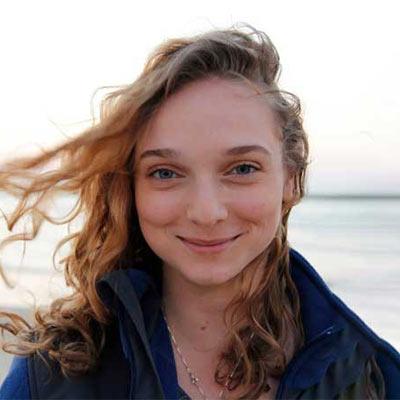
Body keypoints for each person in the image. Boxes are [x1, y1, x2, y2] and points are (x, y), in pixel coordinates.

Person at [0, 22, 399, 400]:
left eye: (242, 168)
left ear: (290, 179)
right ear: (131, 188)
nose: (207, 212)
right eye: (166, 172)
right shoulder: (53, 377)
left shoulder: (373, 378)